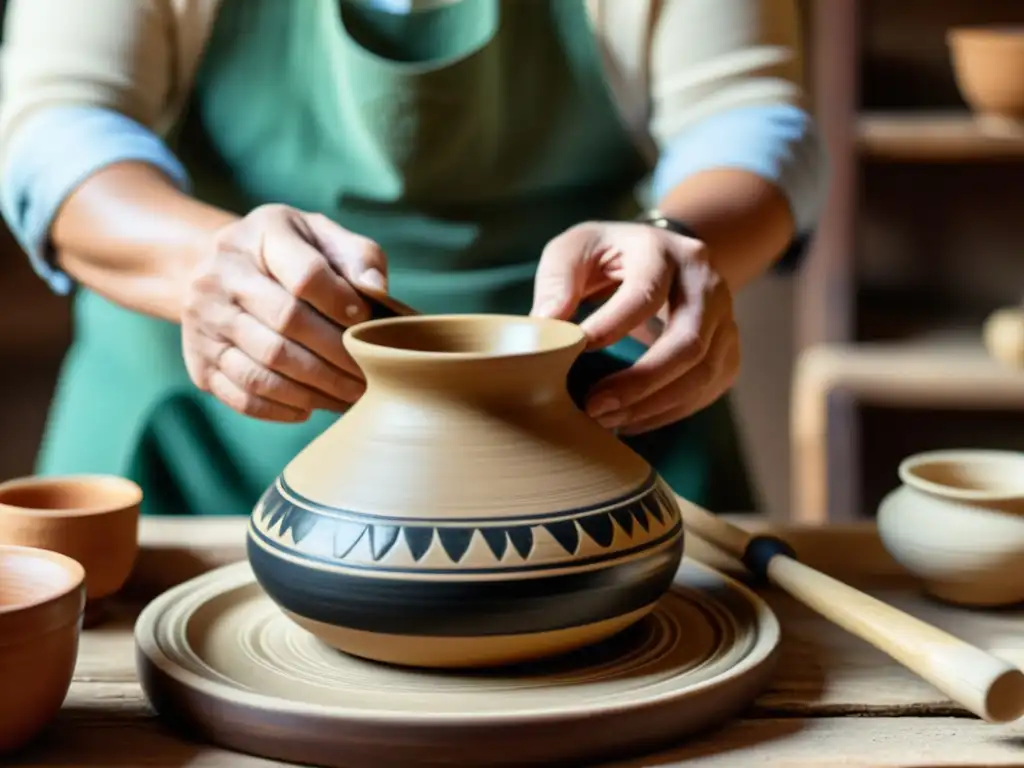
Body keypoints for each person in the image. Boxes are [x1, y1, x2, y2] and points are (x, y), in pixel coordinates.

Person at [0, 0, 826, 517]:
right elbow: (56, 122)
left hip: (583, 416)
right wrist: (206, 264)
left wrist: (682, 243)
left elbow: (749, 116)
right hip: (210, 413)